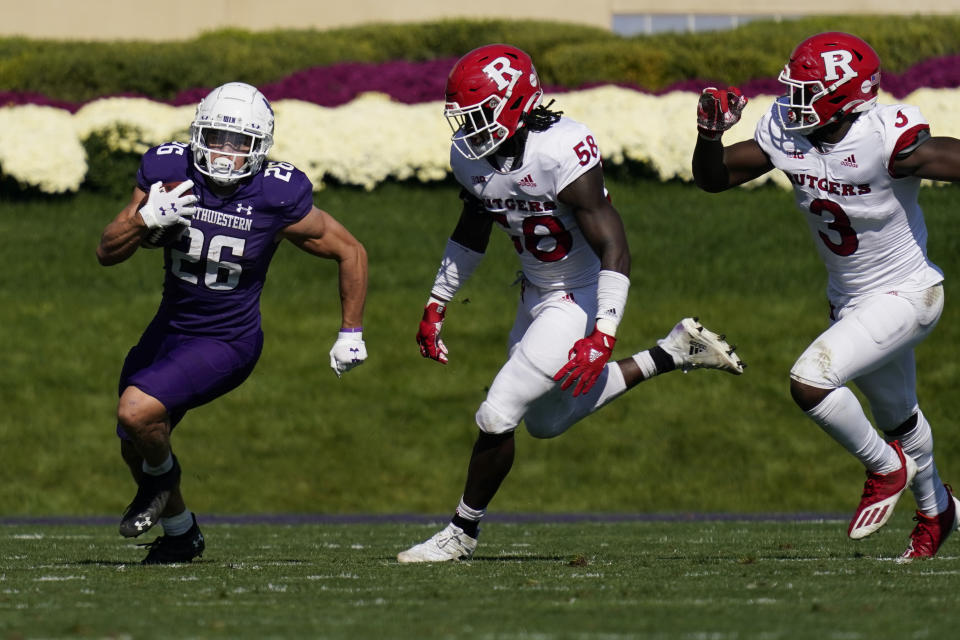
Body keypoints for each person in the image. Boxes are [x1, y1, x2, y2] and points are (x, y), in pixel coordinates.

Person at [397, 44, 744, 563]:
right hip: (534, 291)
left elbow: (614, 246)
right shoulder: (469, 159)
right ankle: (670, 353)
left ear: (515, 103)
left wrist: (602, 333)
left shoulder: (561, 148)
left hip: (579, 294)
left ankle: (460, 533)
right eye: (462, 118)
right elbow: (472, 229)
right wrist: (437, 302)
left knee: (497, 413)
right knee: (546, 421)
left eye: (479, 114)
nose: (469, 129)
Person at [692, 32, 960, 561]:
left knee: (810, 380)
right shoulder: (790, 131)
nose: (791, 101)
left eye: (805, 90)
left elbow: (944, 156)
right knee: (901, 420)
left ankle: (885, 469)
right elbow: (714, 179)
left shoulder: (885, 137)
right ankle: (937, 511)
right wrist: (708, 136)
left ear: (844, 96)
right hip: (851, 299)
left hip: (908, 293)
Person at [96, 82, 369, 564]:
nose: (225, 152)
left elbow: (350, 249)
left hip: (227, 340)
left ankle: (159, 486)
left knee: (136, 412)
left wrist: (351, 331)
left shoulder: (275, 192)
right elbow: (106, 252)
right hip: (170, 329)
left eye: (239, 142)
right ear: (197, 133)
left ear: (259, 147)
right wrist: (144, 221)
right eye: (218, 136)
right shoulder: (168, 170)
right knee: (134, 444)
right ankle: (181, 535)